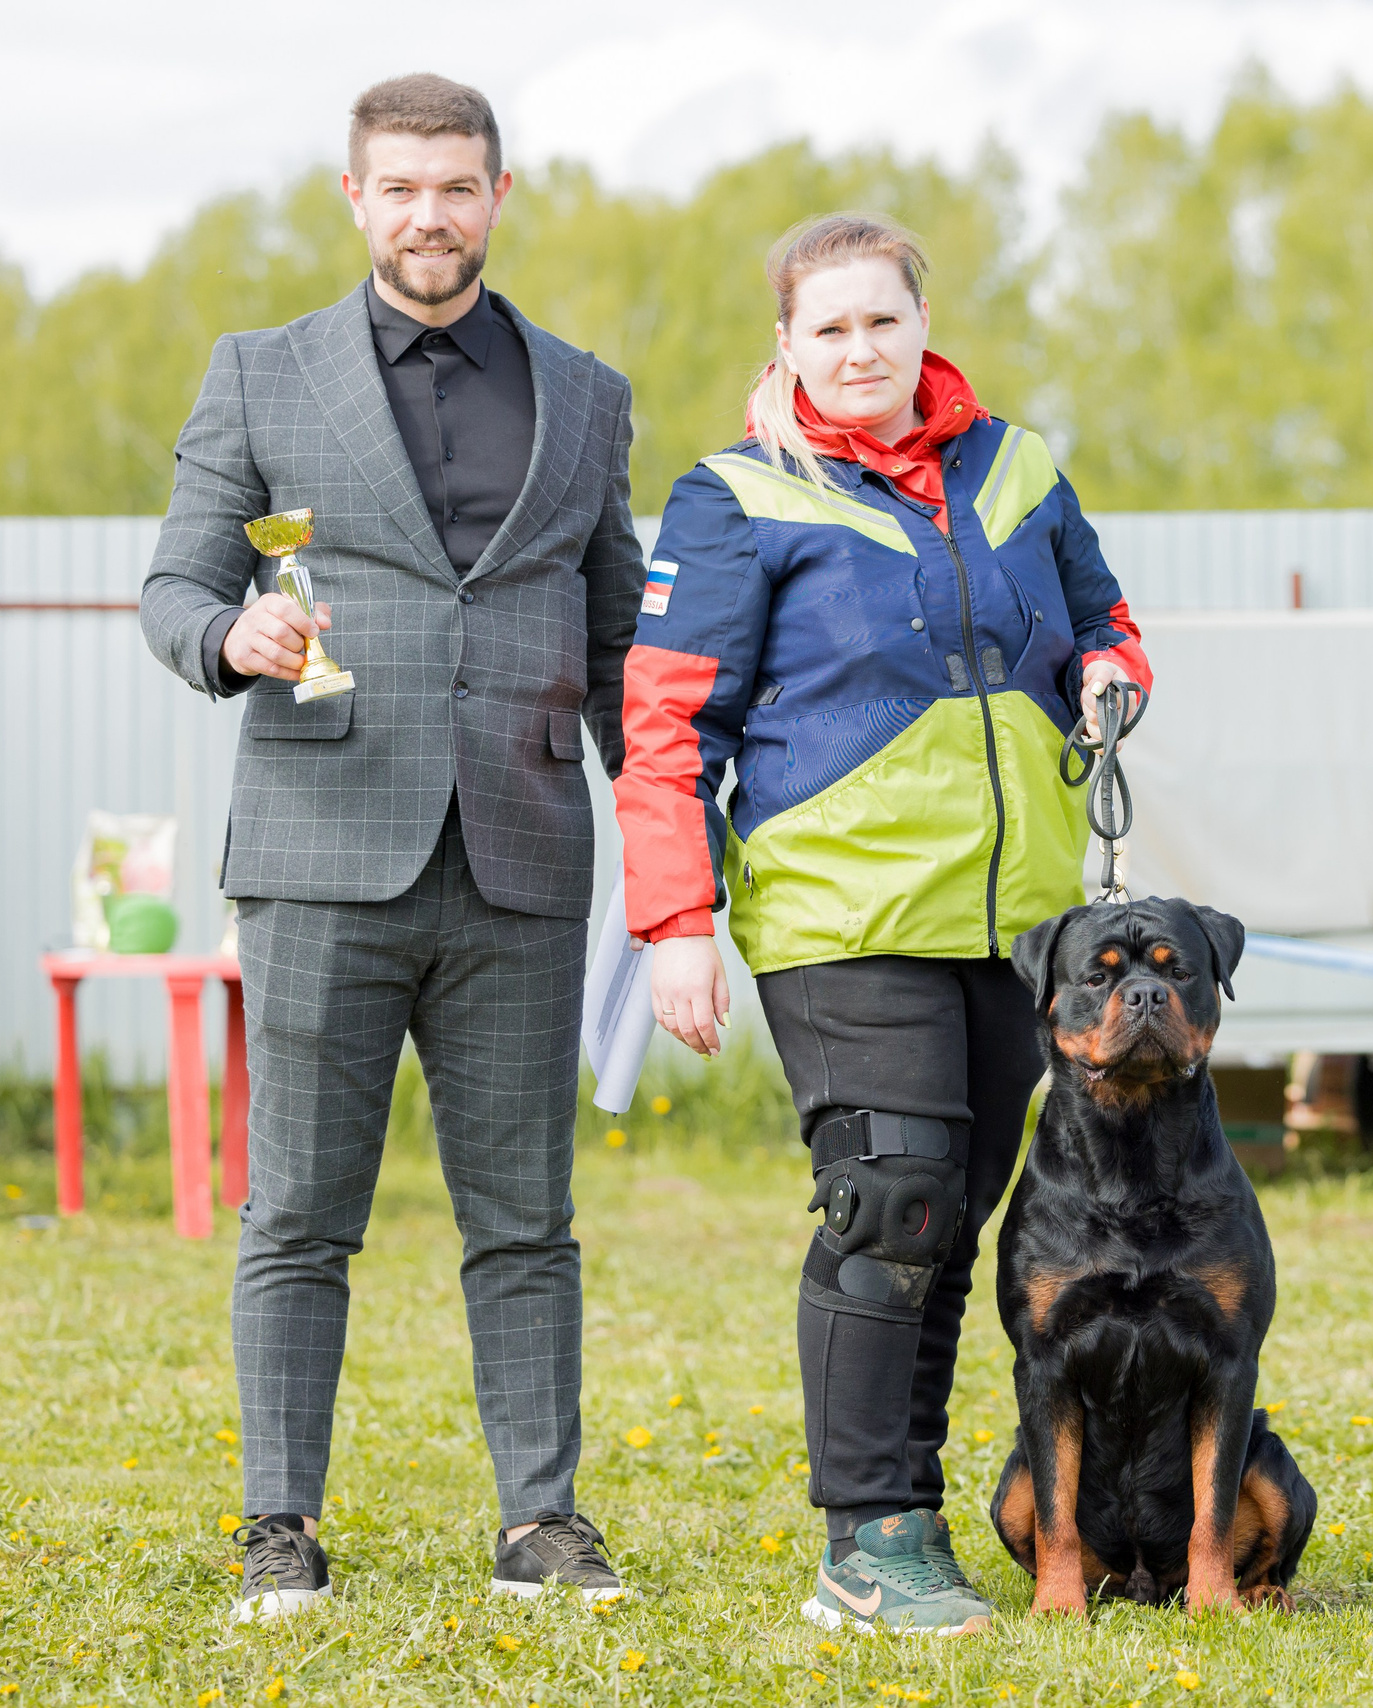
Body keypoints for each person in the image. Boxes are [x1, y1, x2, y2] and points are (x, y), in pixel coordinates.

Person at [139, 73, 644, 1621]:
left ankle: (541, 1525)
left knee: (527, 1223)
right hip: (319, 856)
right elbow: (174, 591)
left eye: (458, 186)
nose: (432, 214)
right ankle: (280, 1529)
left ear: (500, 195)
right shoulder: (259, 374)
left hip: (522, 863)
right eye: (402, 187)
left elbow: (615, 643)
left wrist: (674, 851)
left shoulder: (586, 394)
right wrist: (232, 636)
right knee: (297, 1217)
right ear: (355, 196)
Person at [614, 211, 1152, 1633]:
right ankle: (866, 1540)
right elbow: (666, 730)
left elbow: (1103, 622)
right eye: (830, 327)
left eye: (882, 320)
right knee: (890, 1200)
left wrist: (1110, 676)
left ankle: (912, 1513)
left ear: (922, 325)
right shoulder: (737, 499)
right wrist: (676, 921)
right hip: (841, 915)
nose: (860, 349)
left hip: (1017, 924)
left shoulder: (1021, 470)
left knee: (952, 1219)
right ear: (787, 343)